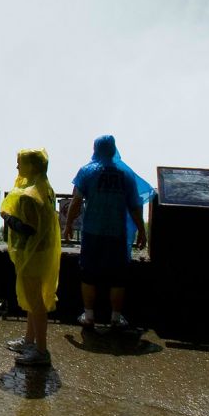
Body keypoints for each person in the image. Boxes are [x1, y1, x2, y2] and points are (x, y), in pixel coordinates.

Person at [63, 135, 153, 330]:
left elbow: (76, 201)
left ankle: (88, 316)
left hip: (92, 232)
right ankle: (115, 317)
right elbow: (135, 207)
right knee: (118, 277)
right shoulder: (126, 174)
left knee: (88, 274)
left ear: (95, 149)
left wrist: (68, 224)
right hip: (117, 233)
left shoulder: (87, 171)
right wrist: (142, 232)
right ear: (113, 150)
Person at [0, 149, 61, 366]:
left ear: (31, 166)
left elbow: (27, 228)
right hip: (42, 252)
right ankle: (29, 340)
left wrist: (7, 217)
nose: (17, 167)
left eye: (20, 163)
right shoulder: (46, 188)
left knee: (36, 302)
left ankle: (41, 351)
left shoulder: (30, 195)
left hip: (33, 255)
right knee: (32, 298)